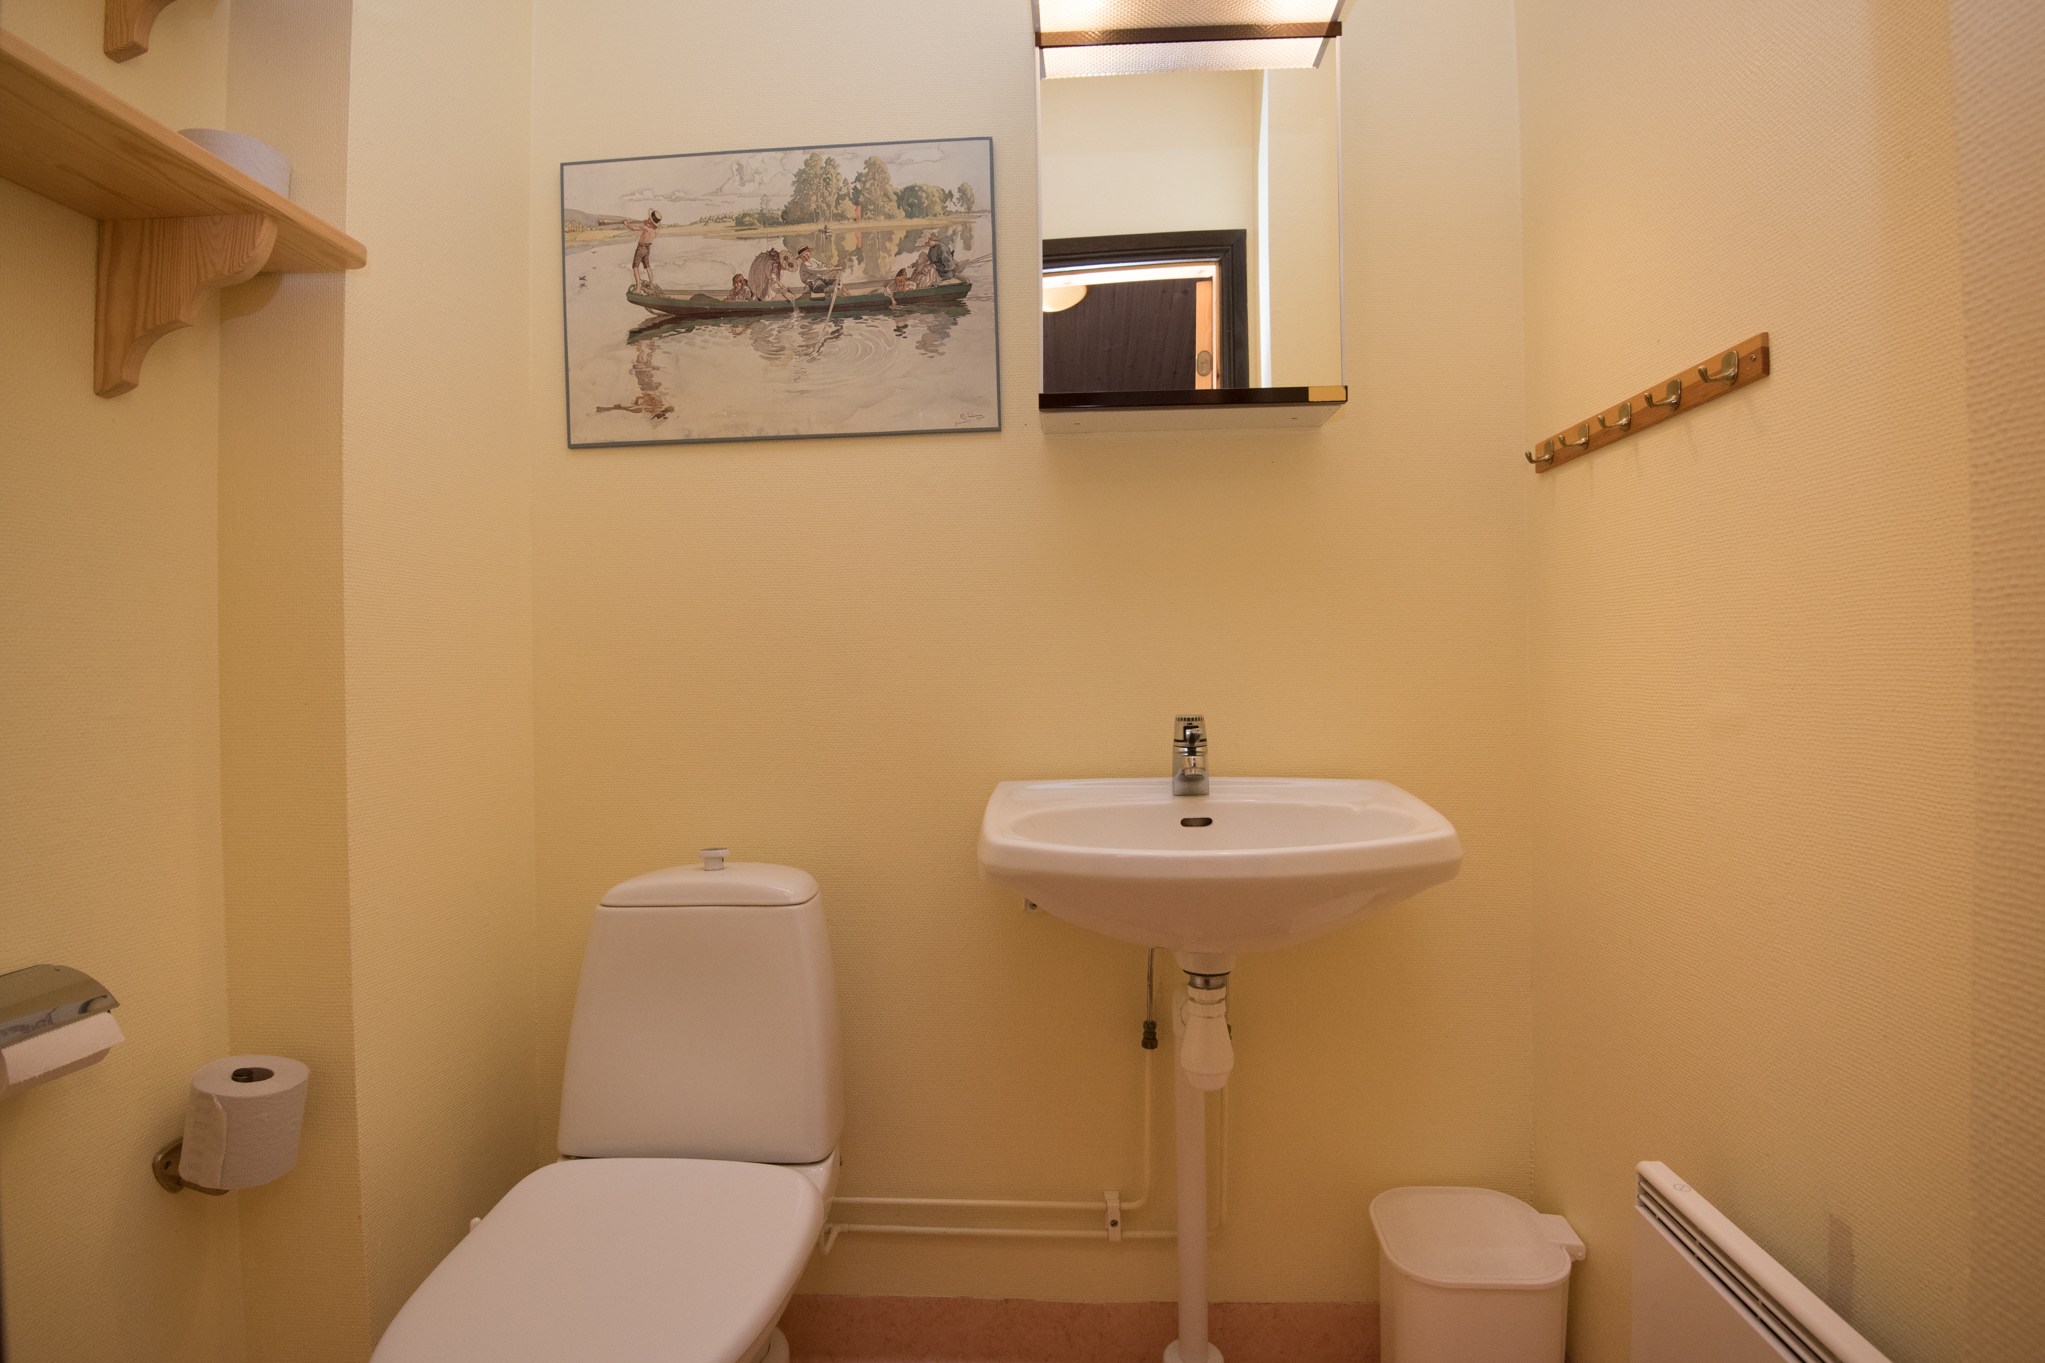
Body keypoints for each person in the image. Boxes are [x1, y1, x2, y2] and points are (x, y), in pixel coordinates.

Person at [627, 210, 661, 290]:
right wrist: (648, 223)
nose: (648, 218)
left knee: (635, 267)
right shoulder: (656, 229)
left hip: (641, 248)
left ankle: (638, 287)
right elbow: (652, 227)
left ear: (651, 221)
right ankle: (651, 285)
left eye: (649, 218)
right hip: (647, 248)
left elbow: (632, 228)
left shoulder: (646, 228)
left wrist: (626, 224)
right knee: (647, 266)